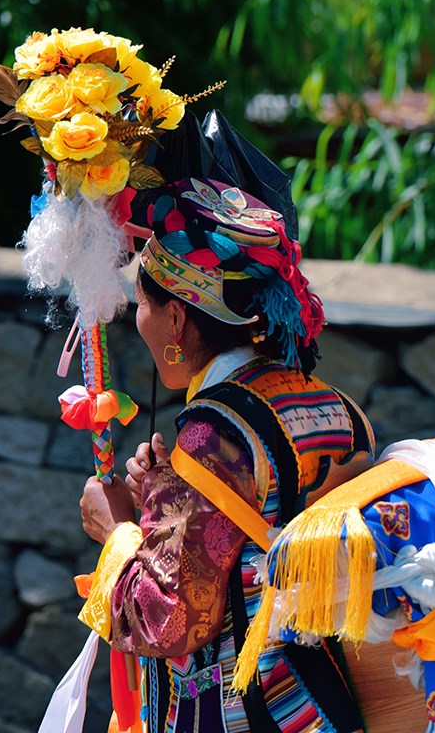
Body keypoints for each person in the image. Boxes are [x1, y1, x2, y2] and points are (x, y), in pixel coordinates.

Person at [77, 176, 376, 733]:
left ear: (176, 320)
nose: (137, 318)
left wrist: (117, 531)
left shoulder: (212, 434)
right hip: (323, 708)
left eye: (144, 303)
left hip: (240, 716)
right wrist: (165, 499)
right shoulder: (337, 407)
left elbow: (168, 621)